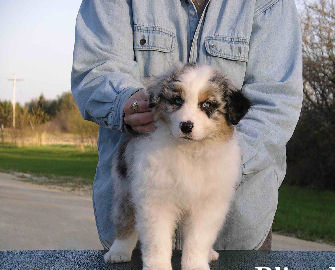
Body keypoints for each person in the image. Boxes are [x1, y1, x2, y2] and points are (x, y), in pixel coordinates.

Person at [71, 0, 302, 251]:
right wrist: (123, 101)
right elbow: (95, 67)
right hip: (140, 215)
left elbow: (275, 103)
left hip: (236, 230)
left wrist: (221, 164)